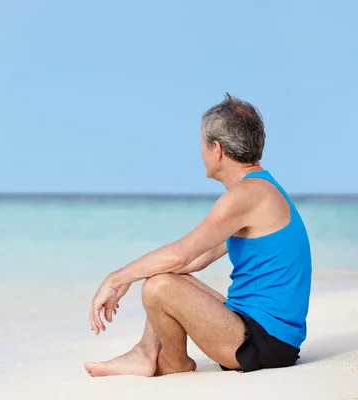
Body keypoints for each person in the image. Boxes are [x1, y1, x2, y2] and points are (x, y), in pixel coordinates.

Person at [84, 94, 312, 377]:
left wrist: (115, 279)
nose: (201, 153)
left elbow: (182, 254)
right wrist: (130, 277)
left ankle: (173, 362)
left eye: (202, 145)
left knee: (158, 286)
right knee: (165, 275)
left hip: (263, 342)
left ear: (216, 149)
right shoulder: (261, 190)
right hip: (262, 334)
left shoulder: (248, 195)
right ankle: (145, 352)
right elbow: (192, 260)